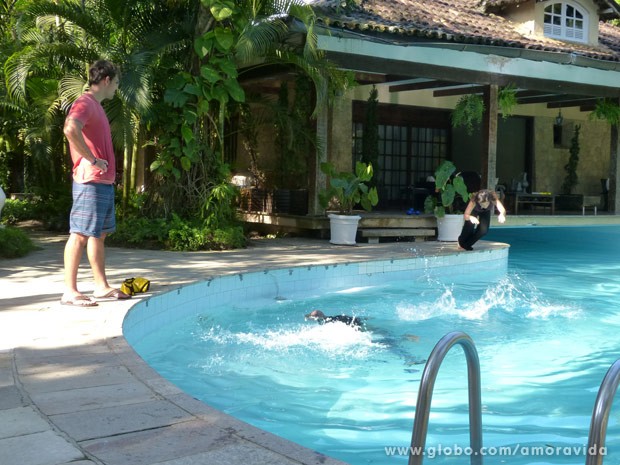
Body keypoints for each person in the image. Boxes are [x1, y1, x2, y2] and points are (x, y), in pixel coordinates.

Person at [60, 60, 130, 307]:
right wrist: (91, 159)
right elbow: (70, 129)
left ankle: (100, 287)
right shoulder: (85, 103)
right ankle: (70, 291)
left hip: (102, 182)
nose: (116, 89)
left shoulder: (96, 106)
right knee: (79, 234)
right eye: (117, 83)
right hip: (89, 181)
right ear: (107, 80)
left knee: (98, 235)